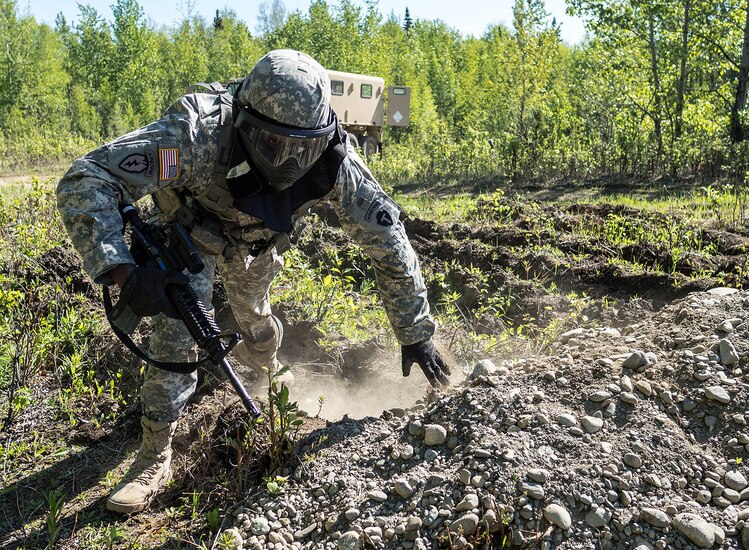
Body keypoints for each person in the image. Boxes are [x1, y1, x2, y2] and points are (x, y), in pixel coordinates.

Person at [56, 49, 452, 514]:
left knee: (256, 324)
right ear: (242, 123)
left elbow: (388, 239)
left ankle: (265, 364)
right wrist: (126, 272)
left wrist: (415, 333)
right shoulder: (196, 137)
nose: (286, 161)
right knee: (174, 338)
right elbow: (89, 176)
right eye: (271, 144)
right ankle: (153, 453)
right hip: (191, 236)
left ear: (323, 136)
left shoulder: (335, 163)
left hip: (256, 247)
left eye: (300, 149)